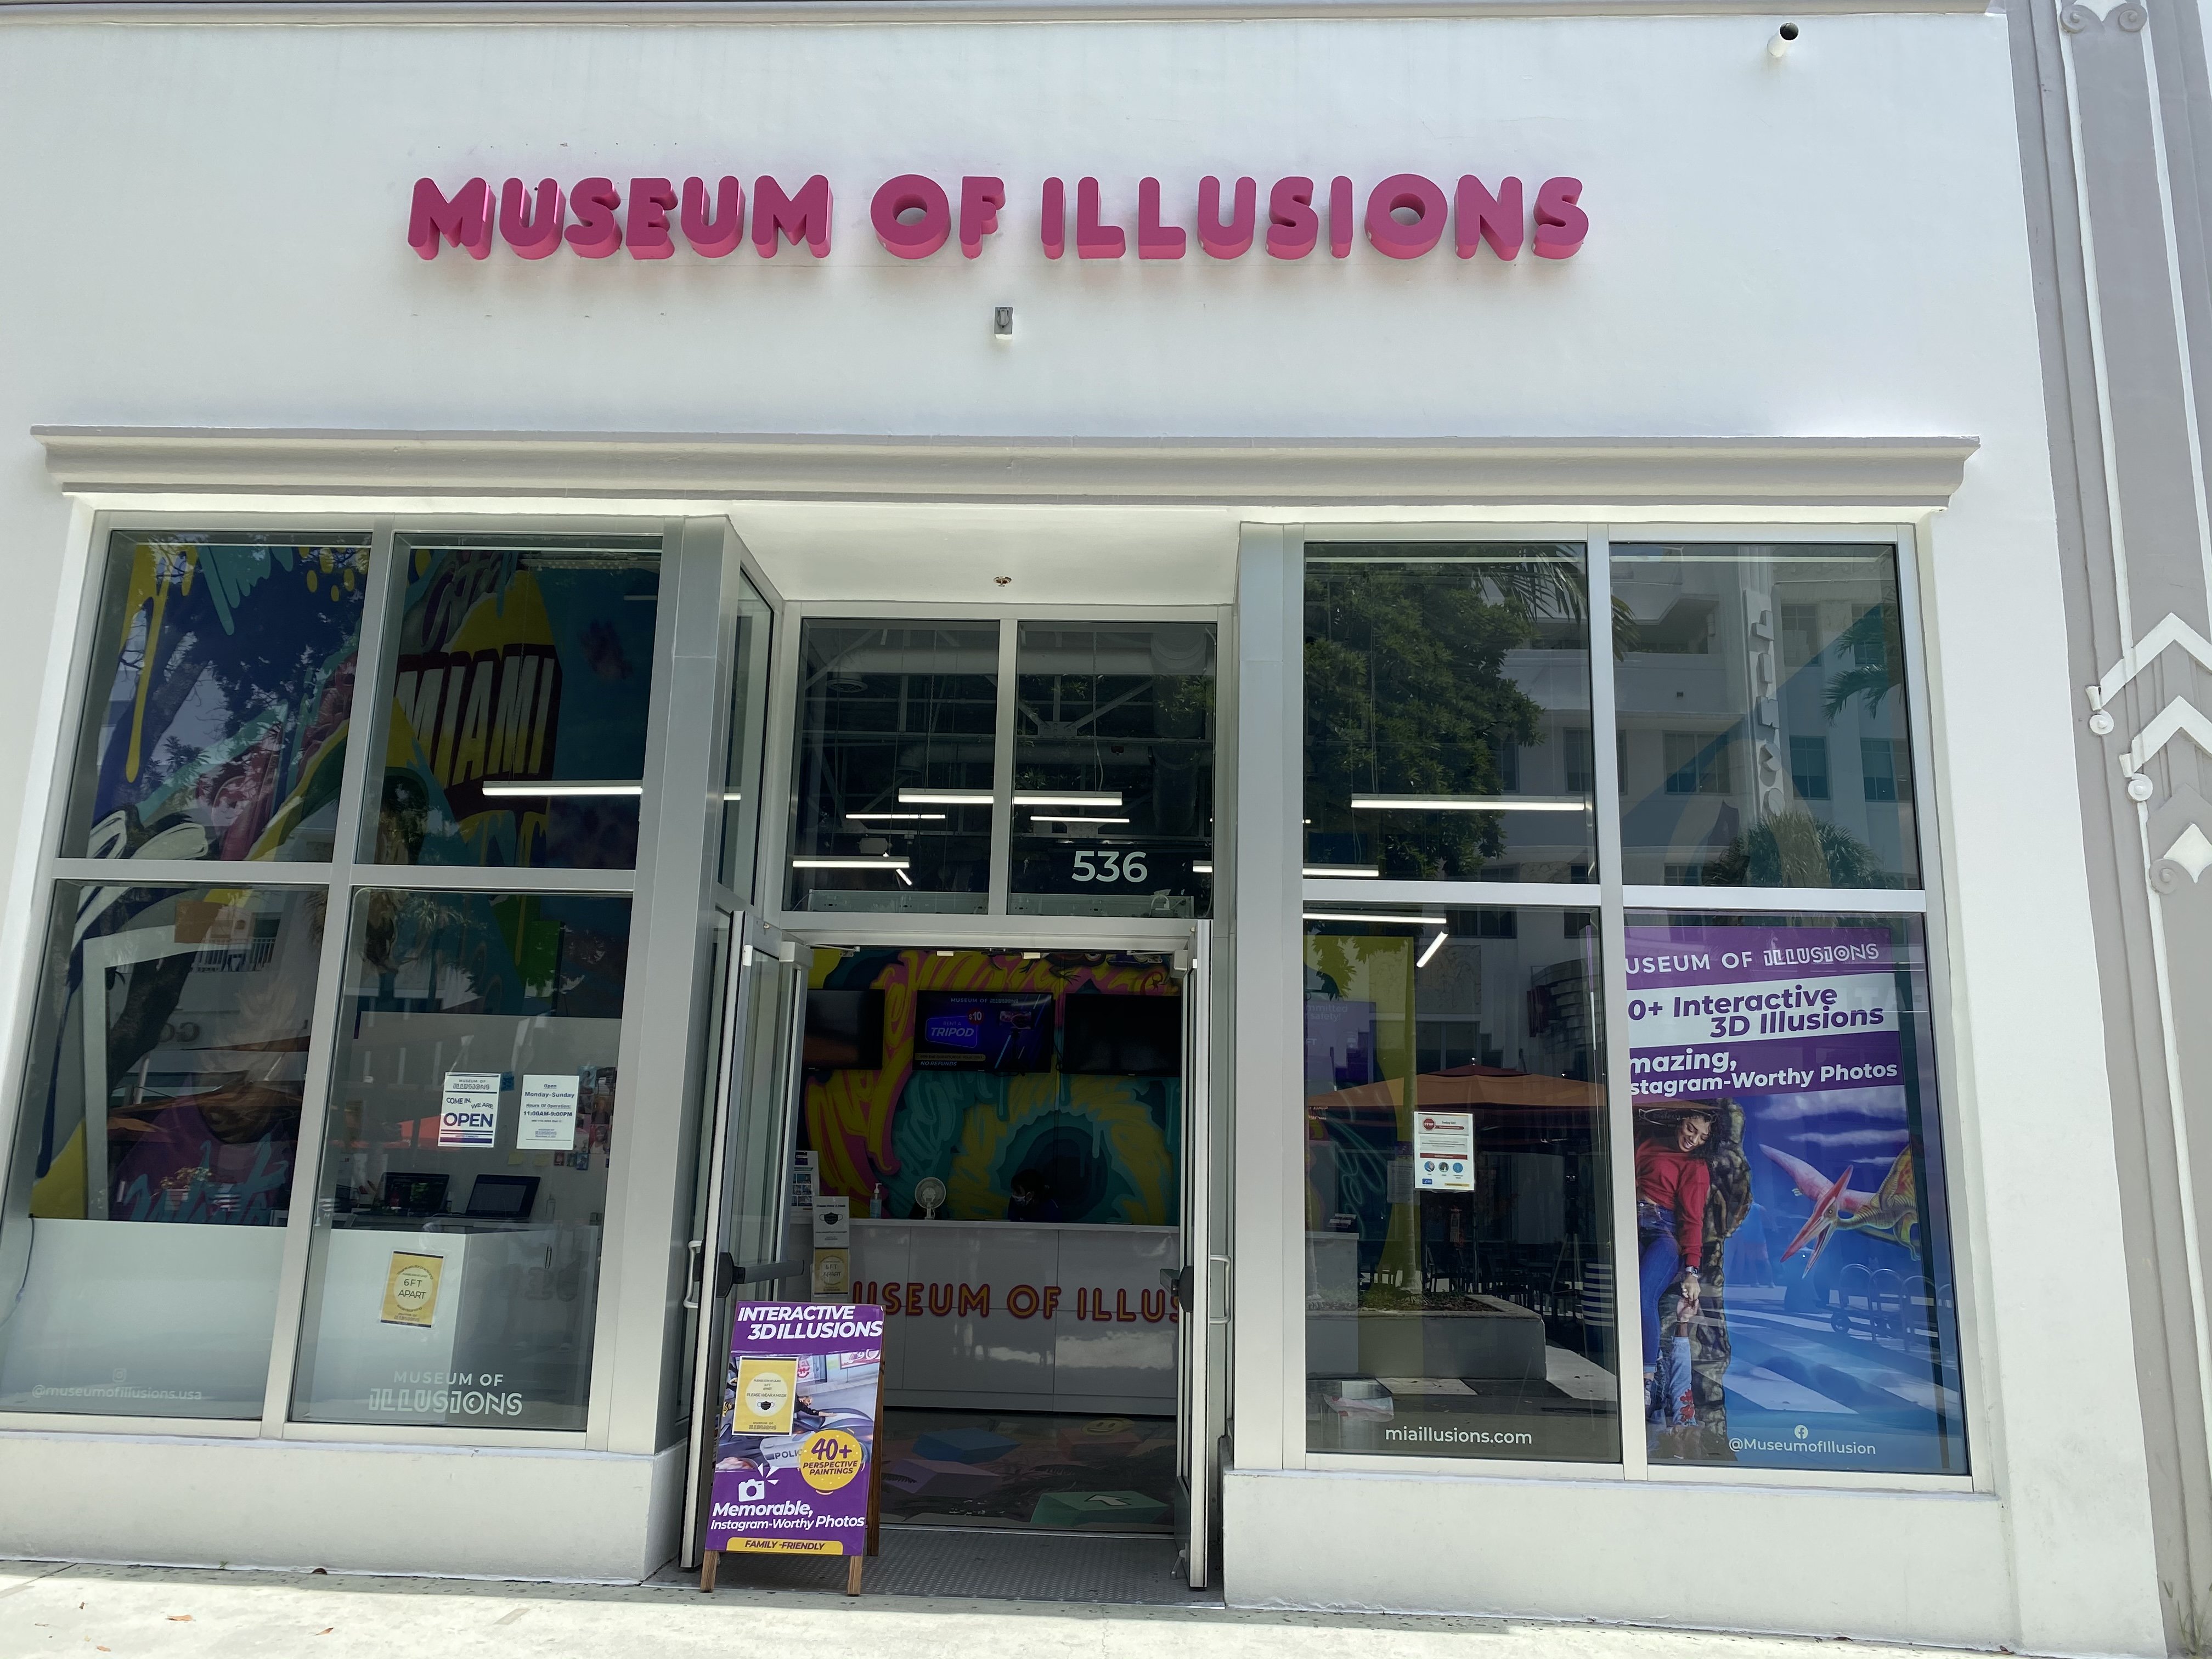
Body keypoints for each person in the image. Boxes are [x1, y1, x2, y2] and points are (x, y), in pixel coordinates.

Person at [1637, 1106, 1716, 1431]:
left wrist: (1692, 1271)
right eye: (1691, 1129)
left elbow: (1693, 1220)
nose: (1693, 1140)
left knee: (1643, 1296)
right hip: (1626, 1221)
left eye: (1703, 1137)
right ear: (1679, 1121)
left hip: (1663, 1231)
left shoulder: (1695, 1166)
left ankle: (1645, 1382)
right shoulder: (1647, 1142)